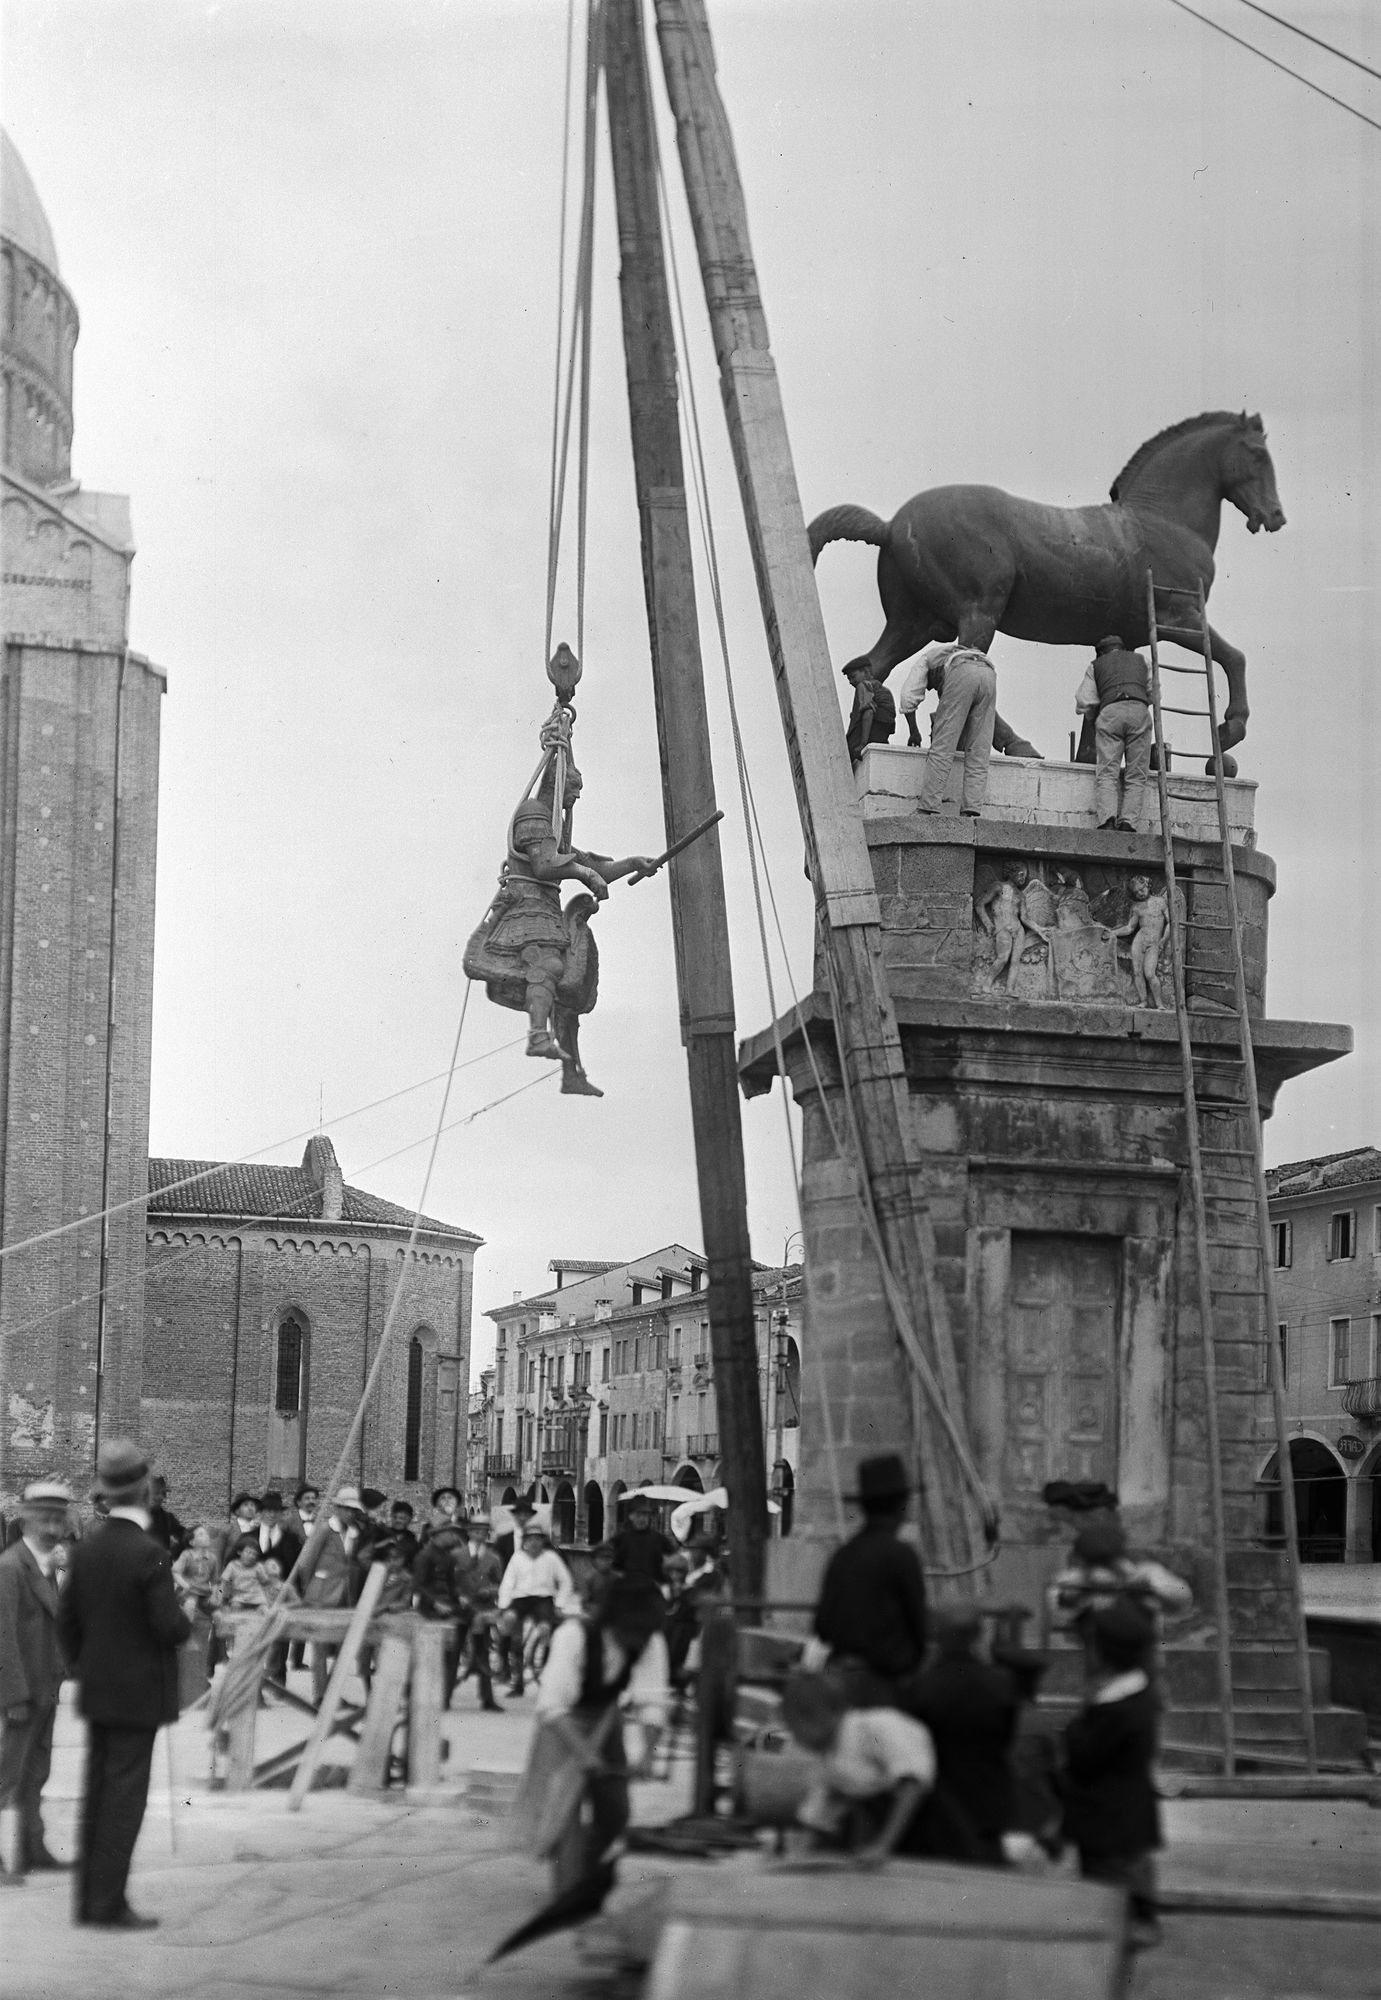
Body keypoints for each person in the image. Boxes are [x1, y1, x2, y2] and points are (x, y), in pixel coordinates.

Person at [57, 1440, 190, 1929]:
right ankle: (108, 1906)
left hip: (99, 1693)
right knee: (123, 1801)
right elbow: (169, 1628)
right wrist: (187, 1615)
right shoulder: (149, 1553)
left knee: (96, 1794)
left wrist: (86, 1666)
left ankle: (88, 1903)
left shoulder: (87, 1549)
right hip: (139, 1699)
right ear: (146, 1493)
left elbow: (66, 1623)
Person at [523, 1573, 670, 1894]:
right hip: (562, 1725)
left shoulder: (649, 1639)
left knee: (615, 1812)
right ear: (614, 1620)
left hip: (604, 1720)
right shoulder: (573, 1636)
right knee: (564, 1814)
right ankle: (567, 1887)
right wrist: (584, 1753)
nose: (642, 1640)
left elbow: (653, 1702)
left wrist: (648, 1753)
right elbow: (551, 1706)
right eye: (636, 1631)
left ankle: (584, 1874)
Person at [1059, 1604, 1164, 1949]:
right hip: (1128, 1811)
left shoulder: (1113, 1707)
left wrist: (1078, 1721)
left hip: (1107, 1816)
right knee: (1130, 1870)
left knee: (1110, 1887)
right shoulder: (1139, 1693)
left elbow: (1083, 1756)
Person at [782, 1671, 948, 1864]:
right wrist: (798, 1854)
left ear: (817, 1714)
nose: (796, 1738)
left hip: (928, 1822)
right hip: (884, 1830)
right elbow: (818, 1814)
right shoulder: (827, 1758)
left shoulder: (876, 1726)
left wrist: (883, 1845)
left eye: (795, 1727)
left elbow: (913, 1783)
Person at [0, 1478, 74, 1884]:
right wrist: (11, 1695)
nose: (52, 1525)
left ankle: (32, 1848)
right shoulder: (11, 1567)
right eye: (44, 1517)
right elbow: (3, 1637)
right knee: (6, 1777)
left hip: (46, 1689)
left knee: (35, 1773)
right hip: (22, 1693)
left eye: (58, 1518)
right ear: (25, 1519)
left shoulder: (45, 1566)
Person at [905, 1604, 1020, 1865]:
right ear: (978, 1635)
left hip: (940, 1804)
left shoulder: (922, 1686)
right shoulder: (1001, 1683)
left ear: (938, 1636)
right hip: (989, 1799)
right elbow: (1007, 1735)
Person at [813, 1454, 928, 1705]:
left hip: (841, 1682)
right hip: (883, 1686)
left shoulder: (843, 1555)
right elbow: (919, 1627)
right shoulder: (902, 1556)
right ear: (901, 1507)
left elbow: (822, 1625)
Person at [1048, 1517, 1192, 1666]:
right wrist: (1087, 1585)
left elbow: (1184, 1597)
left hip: (1142, 1665)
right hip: (1097, 1665)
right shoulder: (1071, 1580)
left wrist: (1143, 1582)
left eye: (1107, 1560)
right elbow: (1056, 1606)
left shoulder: (1146, 1573)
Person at [1075, 635, 1153, 832]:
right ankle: (1128, 823)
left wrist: (1095, 719)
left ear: (1101, 652)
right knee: (1136, 774)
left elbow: (1085, 701)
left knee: (1107, 772)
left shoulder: (1095, 665)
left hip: (1109, 712)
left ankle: (1108, 821)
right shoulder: (1142, 660)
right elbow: (1153, 692)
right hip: (1139, 710)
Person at [912, 641, 998, 817]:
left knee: (942, 745)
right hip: (989, 673)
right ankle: (971, 810)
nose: (933, 689)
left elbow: (908, 697)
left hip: (961, 670)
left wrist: (913, 730)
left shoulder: (924, 662)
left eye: (931, 686)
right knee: (979, 749)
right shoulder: (947, 654)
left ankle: (927, 808)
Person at [301, 1487, 366, 1705]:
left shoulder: (354, 1533)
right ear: (337, 1508)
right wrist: (308, 1592)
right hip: (321, 1596)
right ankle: (320, 1695)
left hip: (344, 1597)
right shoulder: (323, 1530)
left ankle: (333, 1693)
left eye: (353, 1510)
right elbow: (306, 1563)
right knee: (319, 1647)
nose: (350, 1513)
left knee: (343, 1648)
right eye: (346, 1509)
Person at [497, 1525, 579, 1698]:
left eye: (538, 1539)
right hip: (521, 1598)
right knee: (509, 1622)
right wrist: (504, 1605)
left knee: (545, 1630)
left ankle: (546, 1671)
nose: (534, 1543)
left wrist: (560, 1603)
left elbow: (566, 1581)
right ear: (525, 1541)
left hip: (543, 1599)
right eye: (530, 1539)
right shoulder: (517, 1557)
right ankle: (507, 1667)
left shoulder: (551, 1558)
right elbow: (507, 1582)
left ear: (543, 1541)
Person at [412, 1503, 470, 1704]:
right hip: (431, 1608)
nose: (453, 1537)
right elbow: (419, 1585)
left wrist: (459, 1597)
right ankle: (427, 1694)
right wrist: (436, 1603)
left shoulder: (448, 1556)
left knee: (453, 1650)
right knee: (434, 1653)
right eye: (449, 1533)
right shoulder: (424, 1556)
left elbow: (452, 1583)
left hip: (448, 1606)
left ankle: (444, 1695)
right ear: (437, 1535)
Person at [453, 1516, 503, 1711]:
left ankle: (487, 1698)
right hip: (461, 1609)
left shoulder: (494, 1558)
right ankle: (445, 1695)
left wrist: (490, 1590)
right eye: (475, 1531)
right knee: (454, 1652)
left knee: (483, 1652)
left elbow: (500, 1584)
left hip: (482, 1609)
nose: (479, 1534)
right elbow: (450, 1581)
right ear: (469, 1532)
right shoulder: (457, 1555)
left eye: (483, 1531)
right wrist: (458, 1596)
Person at [1106, 875, 1170, 1010]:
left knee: (1149, 973)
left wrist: (1164, 940)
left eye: (1141, 889)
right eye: (1136, 892)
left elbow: (1170, 923)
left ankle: (1159, 1003)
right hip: (1139, 940)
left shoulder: (1160, 902)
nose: (1140, 893)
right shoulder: (1136, 907)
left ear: (1147, 885)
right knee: (1137, 972)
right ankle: (1144, 1001)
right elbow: (1129, 928)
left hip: (1154, 942)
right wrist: (1113, 933)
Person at [610, 1496, 675, 1584]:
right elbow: (611, 1562)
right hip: (628, 1586)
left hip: (653, 1586)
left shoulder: (659, 1538)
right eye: (638, 1515)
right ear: (631, 1516)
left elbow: (673, 1558)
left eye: (645, 1515)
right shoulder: (620, 1538)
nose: (642, 1519)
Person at [843, 662, 896, 768]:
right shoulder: (883, 690)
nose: (851, 682)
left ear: (866, 672)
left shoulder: (864, 686)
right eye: (849, 679)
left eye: (853, 677)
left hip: (869, 734)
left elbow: (868, 712)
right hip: (880, 736)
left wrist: (862, 744)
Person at [218, 1538, 272, 1616]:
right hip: (239, 1597)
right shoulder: (232, 1565)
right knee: (235, 1608)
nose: (251, 1556)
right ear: (239, 1552)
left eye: (254, 1554)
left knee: (265, 1610)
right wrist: (220, 1598)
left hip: (257, 1596)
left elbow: (265, 1582)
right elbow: (223, 1583)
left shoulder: (258, 1567)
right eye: (248, 1552)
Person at [213, 1492, 261, 1569]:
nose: (250, 1508)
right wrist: (218, 1575)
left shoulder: (259, 1530)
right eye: (245, 1505)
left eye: (252, 1505)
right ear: (237, 1511)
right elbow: (218, 1554)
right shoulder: (228, 1529)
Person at [146, 1476, 188, 1558]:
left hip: (160, 1566)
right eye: (156, 1493)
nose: (161, 1497)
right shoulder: (132, 1516)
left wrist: (172, 1553)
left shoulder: (167, 1517)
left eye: (163, 1493)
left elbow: (187, 1537)